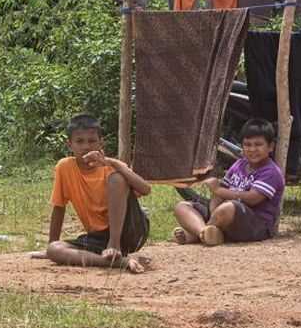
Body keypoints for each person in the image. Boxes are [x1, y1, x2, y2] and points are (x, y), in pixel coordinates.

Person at [38, 114, 152, 273]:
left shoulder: (111, 166)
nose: (86, 147)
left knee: (117, 178)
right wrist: (50, 245)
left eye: (92, 141)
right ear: (69, 144)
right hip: (98, 237)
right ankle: (117, 261)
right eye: (79, 141)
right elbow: (59, 207)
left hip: (131, 230)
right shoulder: (64, 167)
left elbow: (145, 189)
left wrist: (113, 163)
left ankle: (114, 245)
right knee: (54, 249)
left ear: (101, 143)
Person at [171, 118, 286, 246]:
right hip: (223, 216)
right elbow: (221, 192)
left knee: (229, 207)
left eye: (258, 145)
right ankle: (204, 232)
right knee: (182, 206)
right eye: (247, 145)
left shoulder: (270, 171)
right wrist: (215, 203)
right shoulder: (239, 164)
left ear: (270, 147)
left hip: (255, 224)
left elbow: (253, 198)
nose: (252, 149)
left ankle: (197, 234)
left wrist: (218, 190)